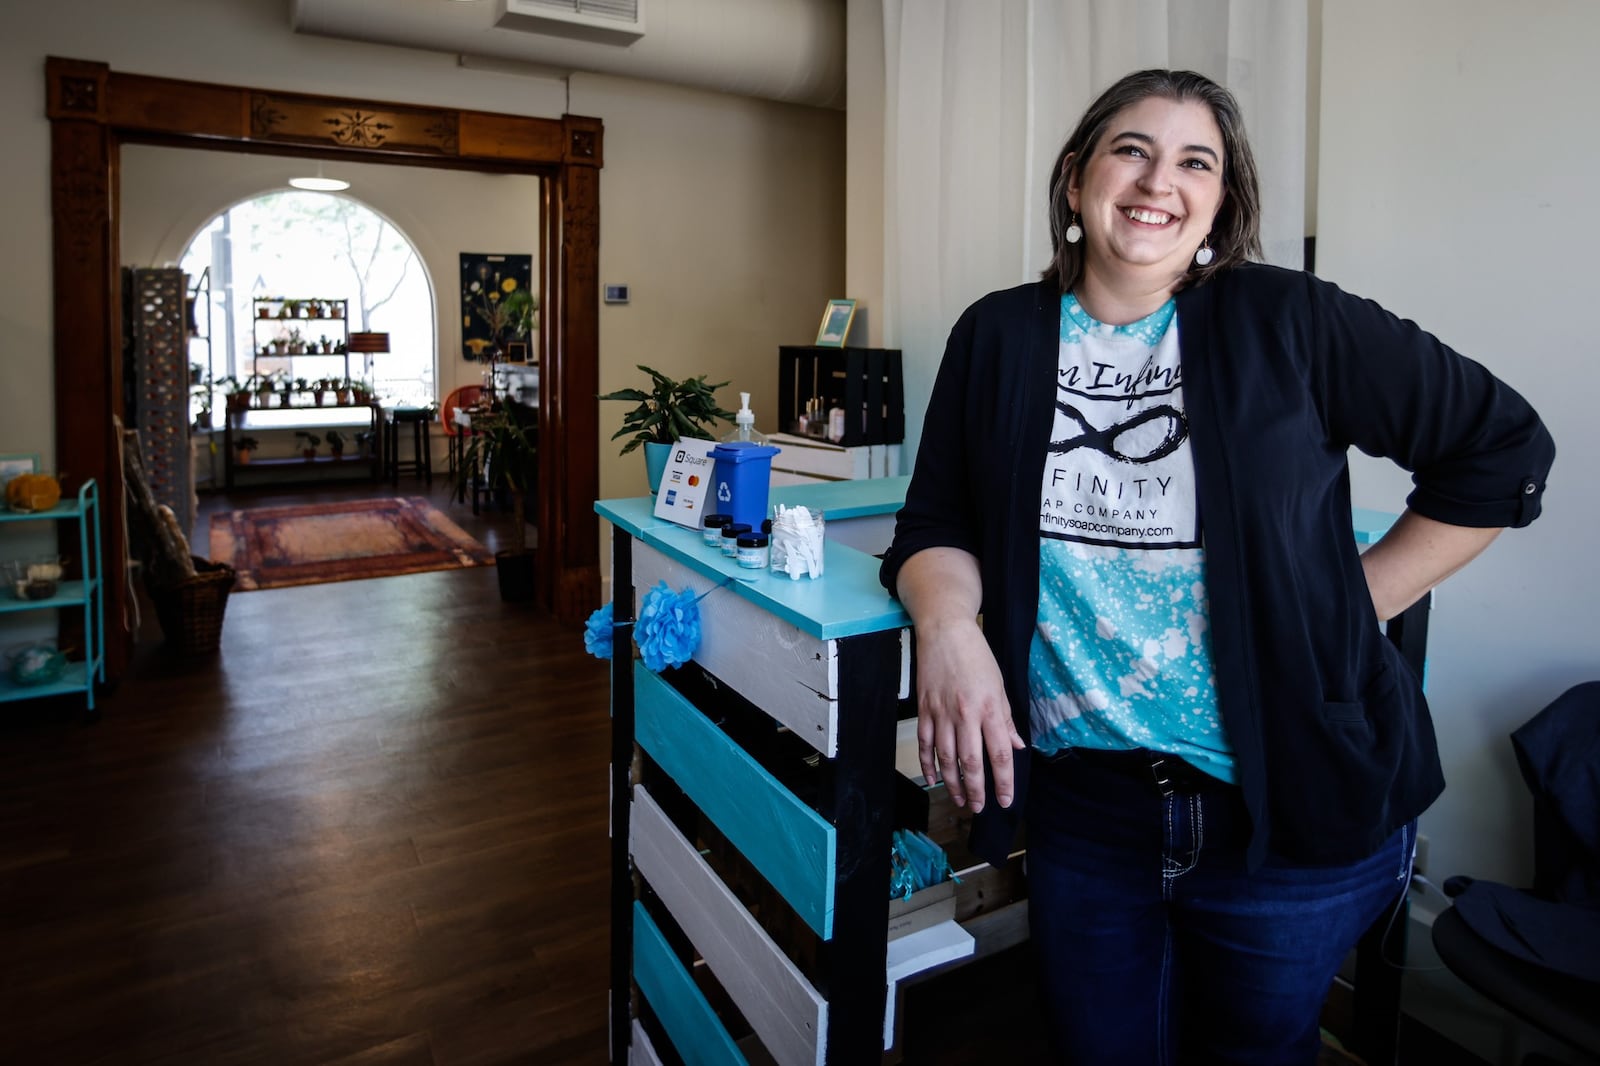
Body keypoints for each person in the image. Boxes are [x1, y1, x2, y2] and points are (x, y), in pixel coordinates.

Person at [880, 68, 1555, 1064]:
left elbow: (1502, 451)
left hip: (1283, 818)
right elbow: (937, 516)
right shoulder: (999, 334)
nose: (1159, 179)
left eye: (1195, 160)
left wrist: (1351, 601)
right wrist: (947, 627)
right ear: (1075, 181)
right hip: (1085, 812)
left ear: (1221, 203)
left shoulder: (1289, 321)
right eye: (1130, 149)